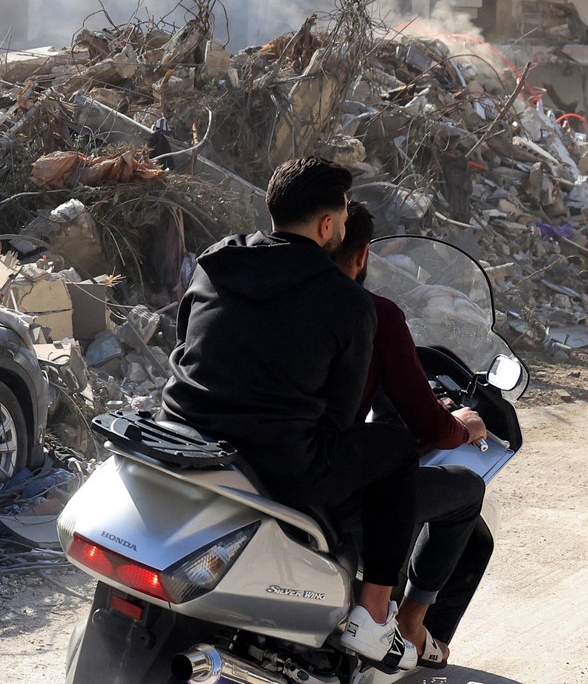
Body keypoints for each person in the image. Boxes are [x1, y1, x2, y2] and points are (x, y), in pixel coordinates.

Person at [163, 157, 420, 669]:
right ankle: (372, 615)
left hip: (181, 434)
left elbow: (187, 338)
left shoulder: (218, 258)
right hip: (277, 468)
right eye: (344, 223)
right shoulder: (348, 302)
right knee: (397, 447)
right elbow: (341, 420)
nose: (344, 232)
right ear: (328, 226)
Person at [332, 201, 493, 668]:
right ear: (359, 252)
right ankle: (402, 619)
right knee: (453, 483)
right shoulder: (372, 314)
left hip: (235, 449)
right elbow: (425, 423)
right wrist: (458, 427)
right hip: (319, 471)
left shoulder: (232, 277)